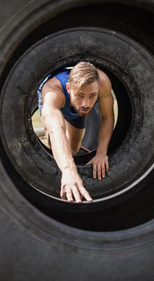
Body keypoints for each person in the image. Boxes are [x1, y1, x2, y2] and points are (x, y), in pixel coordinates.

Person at [37, 62, 114, 203]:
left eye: (92, 96)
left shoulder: (102, 82)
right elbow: (56, 130)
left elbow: (107, 117)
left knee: (73, 148)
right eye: (80, 95)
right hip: (58, 104)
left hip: (75, 111)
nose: (87, 103)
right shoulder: (52, 91)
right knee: (55, 138)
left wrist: (101, 153)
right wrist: (68, 171)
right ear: (69, 88)